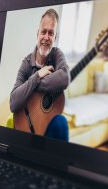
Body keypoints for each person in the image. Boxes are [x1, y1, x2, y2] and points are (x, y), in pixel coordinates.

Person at [10, 8, 70, 141]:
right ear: (38, 34)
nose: (46, 37)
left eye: (51, 33)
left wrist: (33, 85)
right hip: (24, 128)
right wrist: (37, 76)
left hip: (46, 126)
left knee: (61, 122)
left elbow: (65, 78)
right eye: (43, 32)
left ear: (55, 37)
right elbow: (13, 103)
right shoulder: (26, 63)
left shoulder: (56, 54)